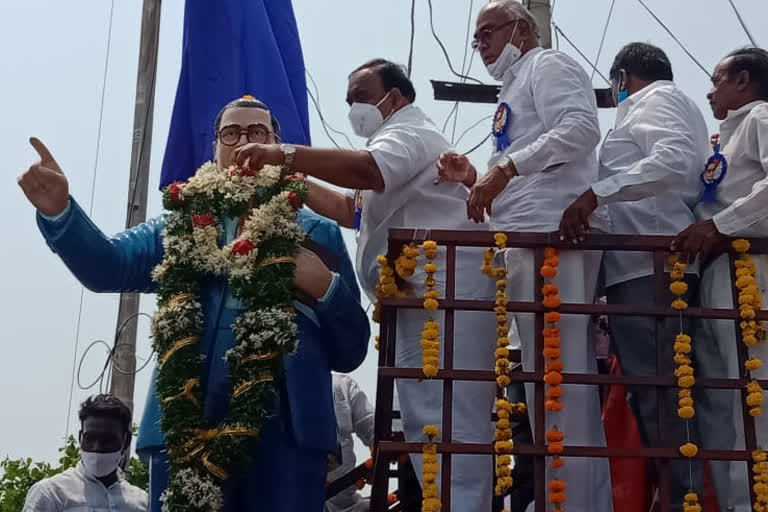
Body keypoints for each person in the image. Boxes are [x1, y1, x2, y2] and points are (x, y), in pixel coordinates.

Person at [17, 96, 370, 512]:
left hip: (289, 429)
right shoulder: (178, 225)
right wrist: (61, 215)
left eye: (258, 133)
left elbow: (352, 348)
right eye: (231, 133)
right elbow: (107, 267)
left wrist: (326, 286)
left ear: (277, 147)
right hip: (183, 423)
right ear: (214, 148)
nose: (244, 143)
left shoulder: (317, 231)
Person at [231, 59, 500, 511]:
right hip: (423, 300)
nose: (352, 105)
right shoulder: (391, 141)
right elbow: (349, 208)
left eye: (360, 94)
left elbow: (366, 173)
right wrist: (289, 179)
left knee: (453, 424)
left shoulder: (408, 133)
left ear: (394, 98)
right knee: (427, 425)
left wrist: (285, 154)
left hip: (449, 297)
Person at [437, 2, 614, 511]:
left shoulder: (548, 65)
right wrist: (475, 177)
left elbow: (581, 128)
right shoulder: (513, 86)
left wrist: (506, 168)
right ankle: (569, 498)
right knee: (545, 377)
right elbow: (520, 172)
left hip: (552, 234)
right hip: (525, 235)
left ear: (522, 28)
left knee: (559, 375)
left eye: (486, 32)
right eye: (476, 39)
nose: (480, 46)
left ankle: (576, 503)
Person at [559, 42, 716, 511]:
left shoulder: (656, 101)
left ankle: (682, 500)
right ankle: (677, 496)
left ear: (622, 79)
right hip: (643, 266)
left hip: (649, 265)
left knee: (663, 398)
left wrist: (594, 194)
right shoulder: (672, 105)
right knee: (658, 396)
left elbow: (668, 160)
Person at [672, 47, 768, 512]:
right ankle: (736, 500)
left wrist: (718, 226)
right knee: (723, 392)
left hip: (751, 271)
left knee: (753, 388)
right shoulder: (724, 139)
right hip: (717, 272)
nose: (710, 90)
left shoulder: (760, 119)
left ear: (744, 80)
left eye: (717, 79)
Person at [23, 394, 148, 511]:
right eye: (90, 438)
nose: (97, 447)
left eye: (108, 439)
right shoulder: (51, 493)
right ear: (80, 437)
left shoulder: (142, 503)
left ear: (126, 441)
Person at [325, 374, 375, 512]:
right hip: (298, 496)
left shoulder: (341, 384)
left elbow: (370, 426)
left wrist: (378, 461)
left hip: (346, 499)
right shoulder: (275, 387)